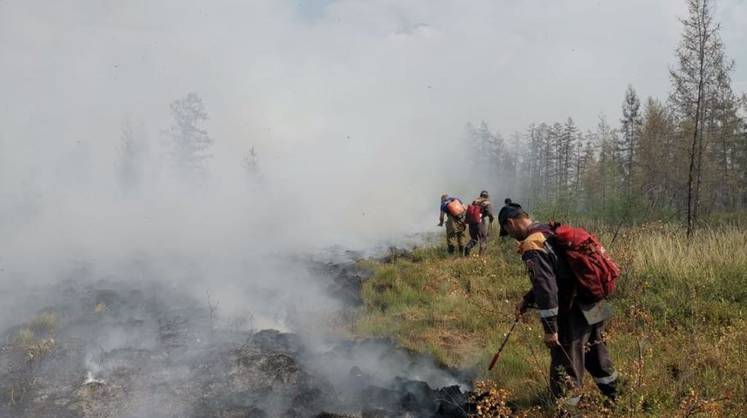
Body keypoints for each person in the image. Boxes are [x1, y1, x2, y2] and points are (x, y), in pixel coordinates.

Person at [497, 199, 619, 402]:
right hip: (594, 301)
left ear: (510, 223)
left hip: (574, 311)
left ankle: (568, 409)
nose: (511, 237)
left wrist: (550, 328)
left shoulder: (532, 244)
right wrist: (527, 299)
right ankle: (618, 397)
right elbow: (558, 273)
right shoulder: (549, 231)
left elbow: (547, 289)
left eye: (508, 232)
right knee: (598, 356)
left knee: (565, 367)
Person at [464, 190, 495, 256]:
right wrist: (491, 220)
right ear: (487, 196)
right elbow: (490, 214)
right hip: (480, 224)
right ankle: (481, 258)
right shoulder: (486, 203)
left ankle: (467, 248)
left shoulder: (474, 202)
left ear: (480, 195)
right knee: (483, 240)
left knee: (474, 239)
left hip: (471, 224)